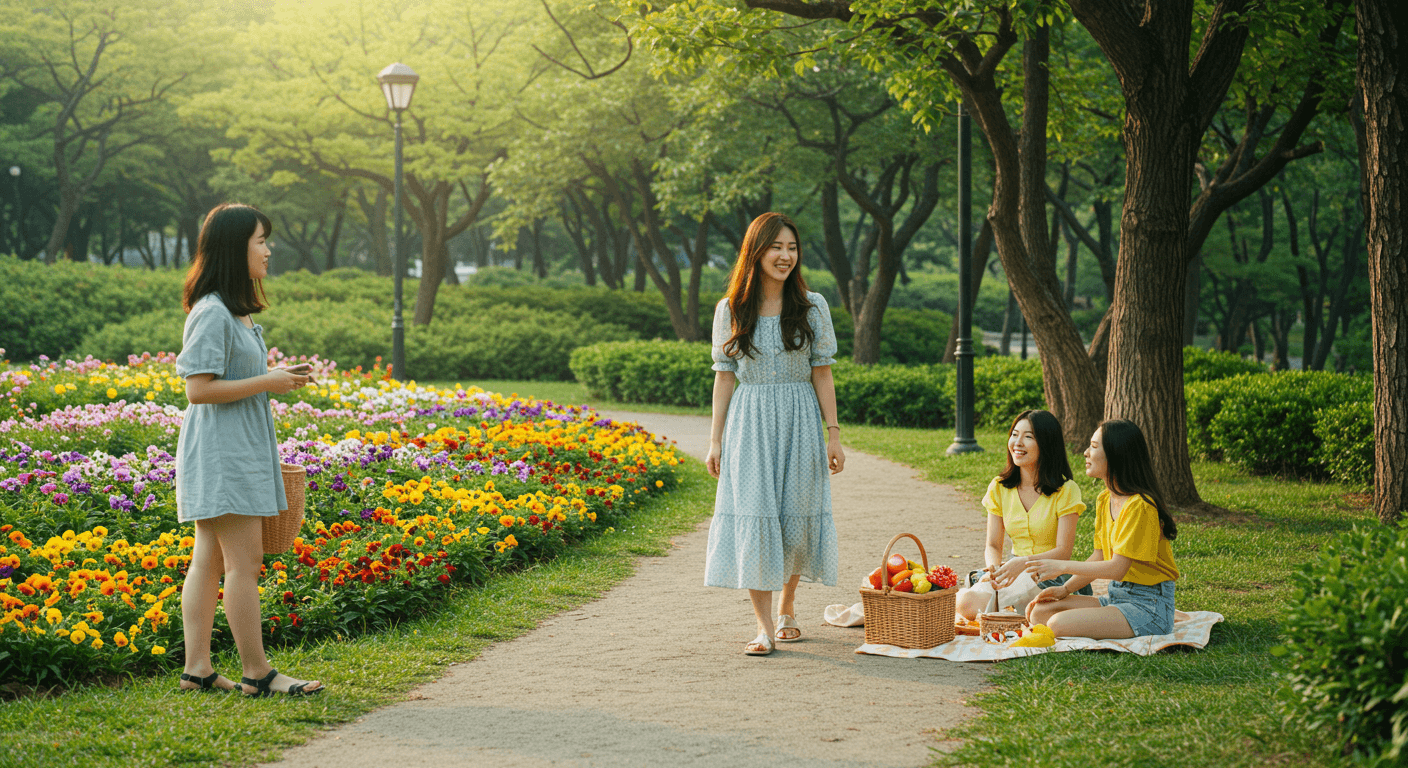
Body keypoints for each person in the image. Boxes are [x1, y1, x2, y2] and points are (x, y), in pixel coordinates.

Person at [174, 203, 324, 696]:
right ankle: (257, 674)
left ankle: (198, 670)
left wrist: (278, 379)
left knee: (210, 561)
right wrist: (269, 380)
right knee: (244, 563)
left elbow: (233, 381)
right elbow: (198, 389)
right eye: (261, 240)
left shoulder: (232, 312)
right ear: (235, 247)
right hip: (222, 453)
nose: (268, 249)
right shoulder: (213, 311)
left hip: (230, 449)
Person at [704, 212, 844, 656]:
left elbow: (822, 373)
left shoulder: (812, 305)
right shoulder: (730, 309)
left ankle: (788, 607)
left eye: (792, 248)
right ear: (756, 251)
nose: (785, 256)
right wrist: (715, 440)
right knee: (756, 515)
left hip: (800, 418)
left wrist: (834, 434)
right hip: (749, 421)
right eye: (776, 247)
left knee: (796, 519)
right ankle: (763, 626)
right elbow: (724, 376)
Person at [1023, 419, 1180, 639]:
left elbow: (1117, 569)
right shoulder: (1105, 498)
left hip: (1149, 607)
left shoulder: (1140, 506)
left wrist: (1060, 566)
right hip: (1117, 598)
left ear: (1116, 455)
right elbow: (1099, 556)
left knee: (1058, 624)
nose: (1086, 452)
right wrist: (1064, 589)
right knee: (1040, 612)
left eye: (1094, 447)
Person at [955, 409, 1092, 621]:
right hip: (1011, 571)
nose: (1017, 443)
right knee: (965, 602)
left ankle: (1009, 608)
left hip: (1050, 575)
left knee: (971, 603)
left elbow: (1063, 552)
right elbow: (992, 545)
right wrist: (994, 569)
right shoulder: (999, 487)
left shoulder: (1066, 490)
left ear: (1046, 444)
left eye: (1028, 437)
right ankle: (1000, 604)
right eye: (1014, 434)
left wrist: (1023, 564)